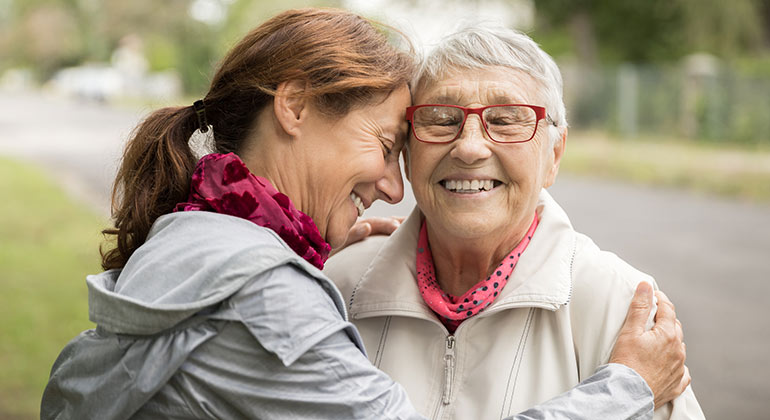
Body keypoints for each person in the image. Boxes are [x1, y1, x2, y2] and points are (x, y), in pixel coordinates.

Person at [41, 8, 688, 420]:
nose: (392, 186)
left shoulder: (196, 238)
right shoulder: (267, 291)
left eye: (507, 120)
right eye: (388, 143)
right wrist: (626, 389)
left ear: (555, 152)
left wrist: (301, 265)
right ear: (295, 106)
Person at [324, 24, 705, 419]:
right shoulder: (338, 285)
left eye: (506, 120)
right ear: (407, 153)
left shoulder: (620, 305)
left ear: (554, 155)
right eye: (441, 119)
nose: (470, 147)